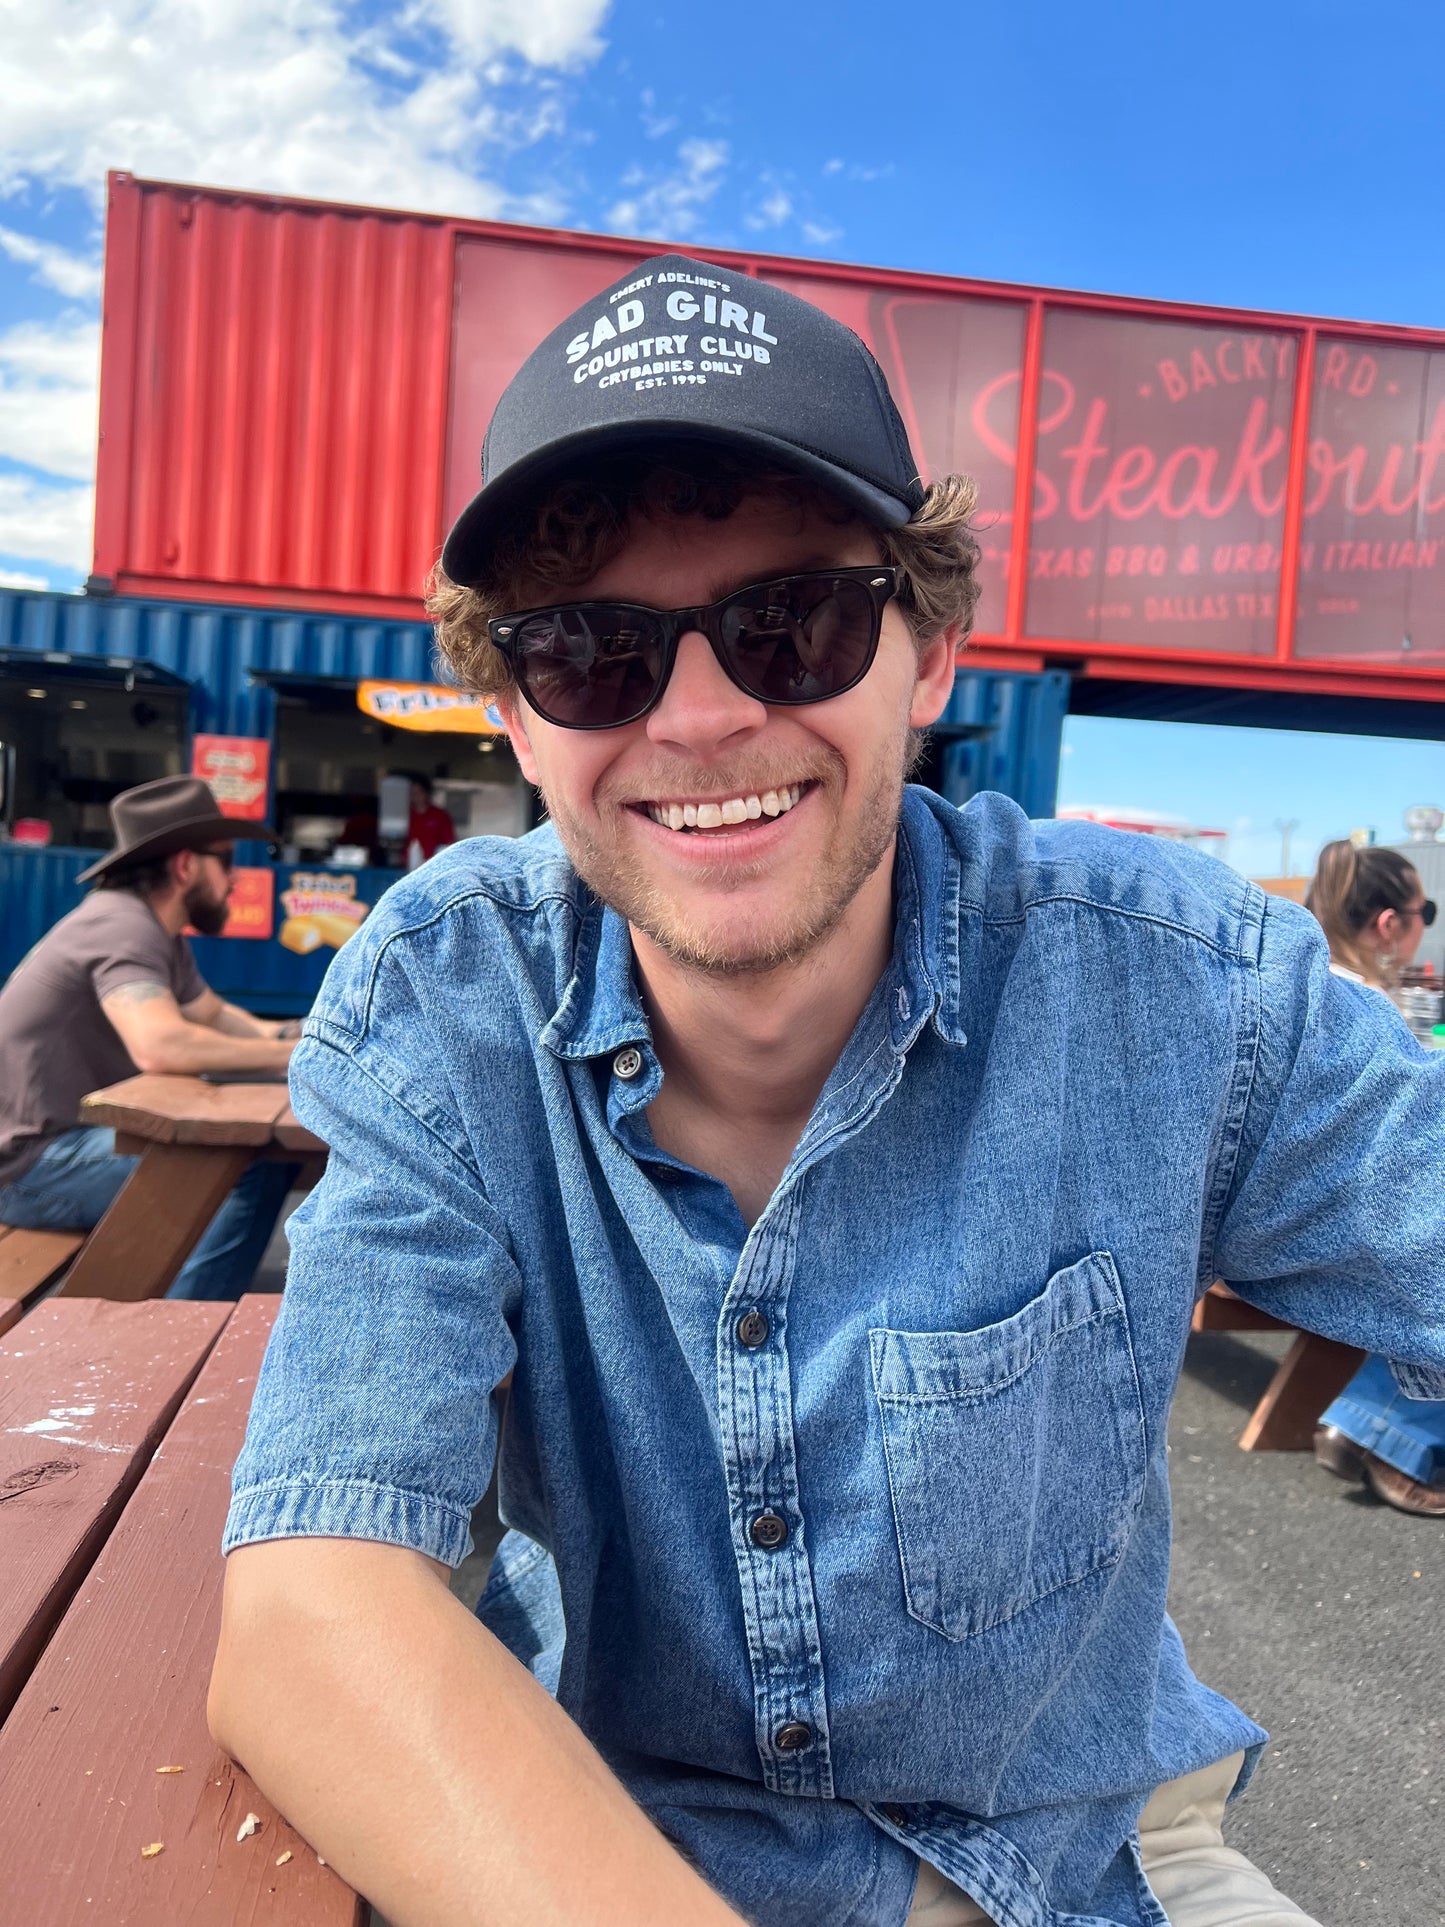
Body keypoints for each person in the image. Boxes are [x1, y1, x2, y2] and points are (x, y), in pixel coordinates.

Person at [210, 257, 1445, 1927]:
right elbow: (316, 1604)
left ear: (928, 653)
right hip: (622, 1857)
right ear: (510, 712)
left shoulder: (1178, 986)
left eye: (792, 621)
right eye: (590, 652)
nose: (708, 716)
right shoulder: (457, 1000)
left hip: (1086, 1863)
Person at [0, 775, 300, 1300]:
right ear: (186, 865)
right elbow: (160, 1046)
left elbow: (212, 1015)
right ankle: (177, 1333)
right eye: (227, 861)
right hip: (30, 1167)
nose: (235, 880)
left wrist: (300, 1034)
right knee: (237, 1168)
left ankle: (187, 1314)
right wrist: (290, 1054)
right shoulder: (122, 927)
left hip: (59, 1145)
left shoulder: (151, 927)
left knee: (260, 1158)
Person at [1303, 838, 1445, 1516]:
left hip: (1287, 1211)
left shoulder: (1304, 982)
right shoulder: (1365, 1010)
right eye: (1427, 912)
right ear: (1389, 923)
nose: (1425, 925)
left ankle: (1372, 1419)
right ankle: (1384, 1427)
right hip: (1321, 1226)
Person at [405, 771, 455, 861]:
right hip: (407, 866)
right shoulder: (405, 815)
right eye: (412, 793)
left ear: (427, 793)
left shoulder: (440, 815)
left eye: (419, 793)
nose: (416, 797)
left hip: (433, 866)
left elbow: (449, 843)